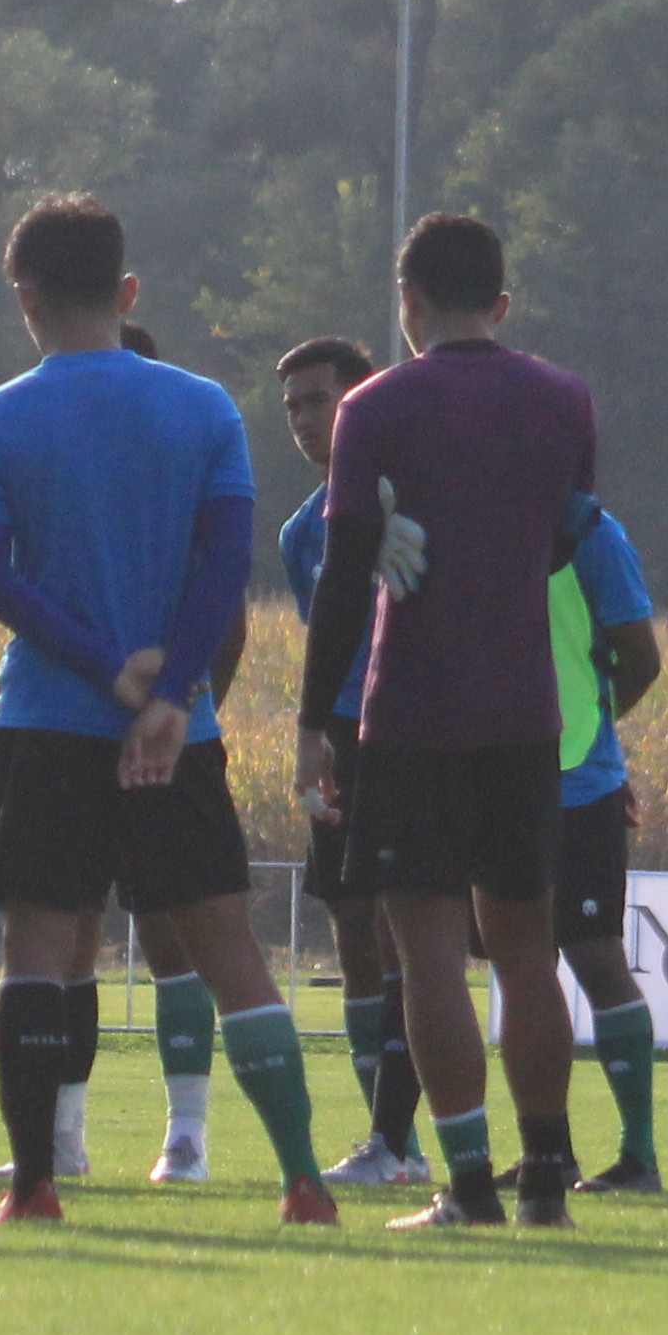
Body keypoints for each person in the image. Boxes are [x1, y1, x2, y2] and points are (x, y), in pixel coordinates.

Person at [0, 198, 338, 1226]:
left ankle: (35, 1186)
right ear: (128, 294)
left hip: (44, 720)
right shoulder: (204, 408)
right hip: (182, 732)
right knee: (230, 951)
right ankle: (304, 1180)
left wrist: (107, 670)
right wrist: (170, 693)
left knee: (38, 953)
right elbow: (226, 562)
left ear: (24, 299)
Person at [301, 217, 605, 1229]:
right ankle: (548, 1179)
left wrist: (315, 720)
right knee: (528, 947)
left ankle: (469, 1185)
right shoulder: (565, 400)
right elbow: (565, 535)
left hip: (414, 711)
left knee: (428, 953)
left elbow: (347, 575)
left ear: (408, 304)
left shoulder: (375, 406)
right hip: (524, 712)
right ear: (503, 302)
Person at [273, 337, 423, 1189]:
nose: (302, 419)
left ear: (360, 400)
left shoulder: (416, 497)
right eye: (291, 404)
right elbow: (328, 642)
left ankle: (402, 1139)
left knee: (410, 937)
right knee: (354, 933)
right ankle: (384, 1140)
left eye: (316, 400)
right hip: (343, 741)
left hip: (410, 738)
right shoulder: (303, 533)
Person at [530, 497, 668, 1193]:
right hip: (499, 778)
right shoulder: (472, 515)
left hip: (580, 783)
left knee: (594, 957)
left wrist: (592, 729)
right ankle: (548, 1150)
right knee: (523, 962)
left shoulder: (589, 532)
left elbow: (642, 658)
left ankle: (638, 1156)